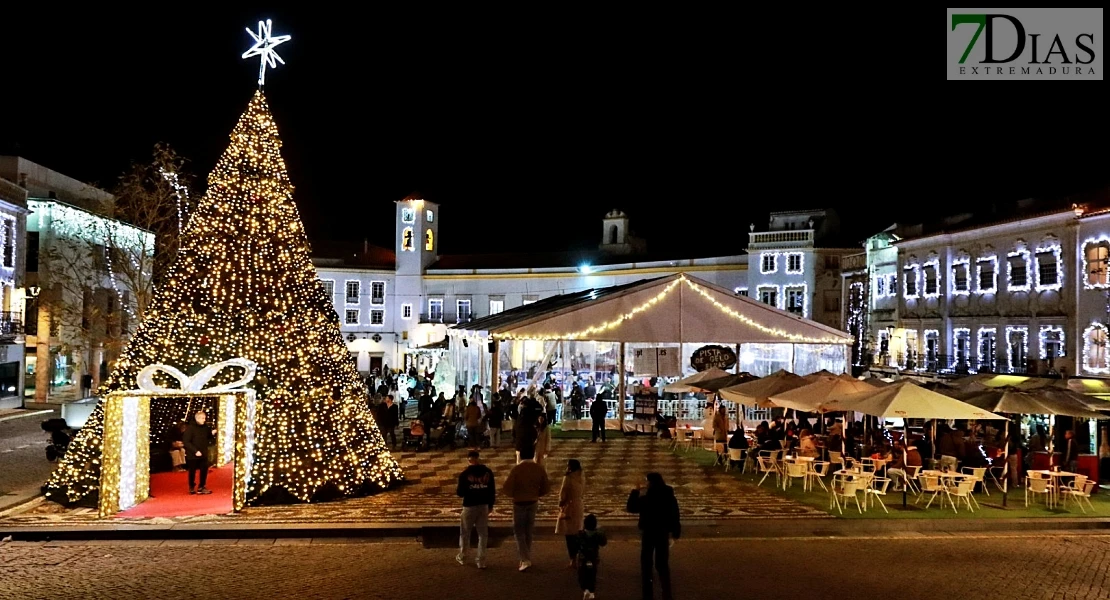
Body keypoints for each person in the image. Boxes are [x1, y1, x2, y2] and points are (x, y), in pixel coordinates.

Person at [627, 472, 680, 600]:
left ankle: (648, 595)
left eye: (647, 481)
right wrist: (675, 533)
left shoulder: (647, 499)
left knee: (646, 565)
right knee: (662, 565)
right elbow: (675, 515)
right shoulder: (669, 497)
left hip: (648, 532)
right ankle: (667, 594)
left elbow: (631, 507)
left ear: (651, 483)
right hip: (662, 533)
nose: (646, 484)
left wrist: (635, 491)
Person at [502, 447, 552, 571]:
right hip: (533, 501)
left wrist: (515, 494)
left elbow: (507, 488)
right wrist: (536, 494)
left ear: (521, 456)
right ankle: (526, 556)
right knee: (528, 530)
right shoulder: (539, 468)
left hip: (519, 502)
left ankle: (525, 559)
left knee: (519, 531)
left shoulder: (517, 469)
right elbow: (546, 487)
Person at [456, 450, 495, 569]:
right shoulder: (488, 472)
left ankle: (463, 556)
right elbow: (492, 490)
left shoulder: (465, 474)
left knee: (465, 532)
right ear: (478, 458)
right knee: (483, 534)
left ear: (469, 460)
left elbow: (460, 493)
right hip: (483, 505)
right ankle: (481, 561)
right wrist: (491, 505)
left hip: (469, 505)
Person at [555, 459, 586, 569]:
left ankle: (573, 559)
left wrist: (560, 504)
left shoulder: (568, 478)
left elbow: (563, 494)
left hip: (570, 506)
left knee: (569, 534)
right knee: (578, 531)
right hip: (579, 505)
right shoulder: (582, 476)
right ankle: (579, 556)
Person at [576, 514, 607, 600]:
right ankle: (592, 591)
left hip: (583, 557)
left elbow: (576, 545)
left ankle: (585, 590)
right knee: (592, 574)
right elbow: (603, 542)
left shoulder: (581, 534)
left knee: (582, 574)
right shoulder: (597, 534)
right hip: (594, 557)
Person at [183, 411, 215, 495]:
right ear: (197, 418)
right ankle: (191, 486)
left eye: (204, 418)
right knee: (192, 471)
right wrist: (195, 451)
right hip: (192, 454)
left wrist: (212, 433)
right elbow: (186, 441)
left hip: (203, 452)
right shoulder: (190, 428)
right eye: (202, 418)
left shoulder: (206, 428)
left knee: (204, 470)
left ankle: (202, 486)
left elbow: (209, 437)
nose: (204, 420)